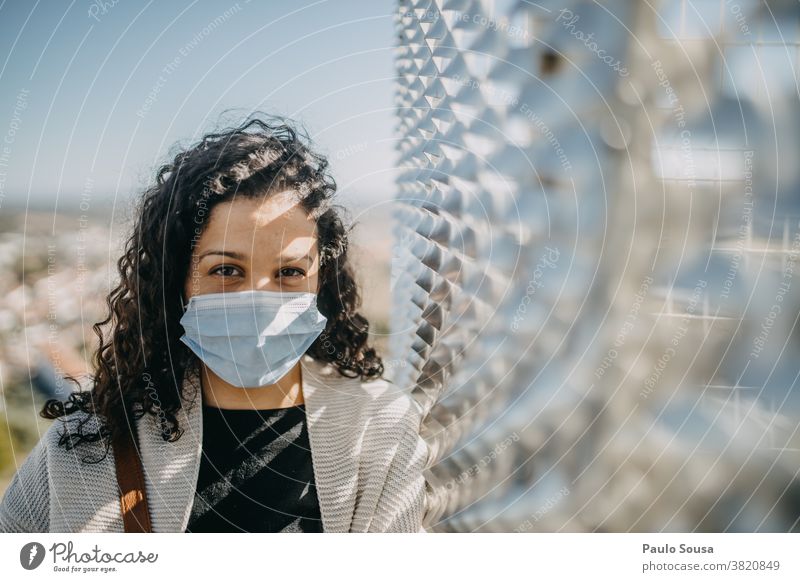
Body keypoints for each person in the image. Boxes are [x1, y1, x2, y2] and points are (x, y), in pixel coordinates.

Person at [0, 114, 429, 533]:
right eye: (226, 270)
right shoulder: (86, 446)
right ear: (177, 280)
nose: (258, 298)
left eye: (290, 272)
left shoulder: (381, 431)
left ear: (322, 280)